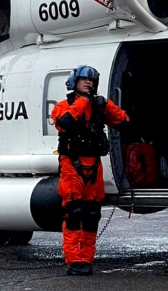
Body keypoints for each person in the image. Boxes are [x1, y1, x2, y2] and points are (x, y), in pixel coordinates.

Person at [51, 65, 129, 276]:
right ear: (74, 82)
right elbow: (65, 122)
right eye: (84, 80)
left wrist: (106, 105)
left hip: (94, 164)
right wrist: (84, 101)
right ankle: (73, 258)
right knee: (74, 211)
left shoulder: (99, 106)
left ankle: (86, 258)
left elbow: (123, 121)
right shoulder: (62, 106)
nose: (89, 83)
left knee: (92, 214)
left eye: (92, 81)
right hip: (71, 164)